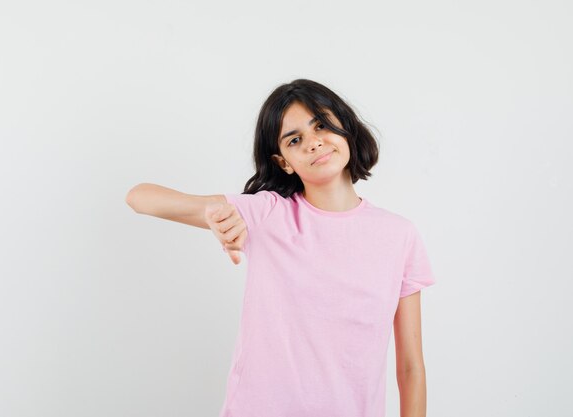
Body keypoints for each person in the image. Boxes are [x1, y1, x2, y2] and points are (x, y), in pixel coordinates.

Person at [126, 78, 436, 417]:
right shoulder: (268, 214)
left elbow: (410, 368)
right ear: (284, 161)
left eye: (321, 124)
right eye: (295, 139)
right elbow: (140, 198)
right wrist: (211, 214)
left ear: (345, 128)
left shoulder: (398, 235)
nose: (314, 143)